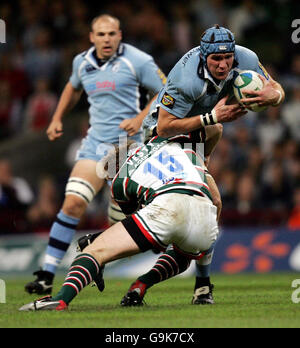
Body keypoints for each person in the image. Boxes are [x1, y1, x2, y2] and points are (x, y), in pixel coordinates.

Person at [122, 24, 285, 305]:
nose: (223, 65)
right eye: (216, 59)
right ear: (203, 56)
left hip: (200, 133)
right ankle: (201, 283)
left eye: (227, 58)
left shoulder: (245, 58)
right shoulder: (185, 78)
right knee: (212, 204)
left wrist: (276, 96)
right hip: (163, 136)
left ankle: (197, 284)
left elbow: (275, 88)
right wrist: (212, 117)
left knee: (210, 203)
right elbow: (164, 126)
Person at [24, 14, 166, 295]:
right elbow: (72, 87)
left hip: (125, 147)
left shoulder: (138, 60)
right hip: (94, 145)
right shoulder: (82, 62)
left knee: (120, 224)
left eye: (111, 34)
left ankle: (96, 253)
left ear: (120, 35)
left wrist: (140, 118)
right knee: (73, 204)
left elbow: (165, 91)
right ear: (92, 37)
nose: (106, 39)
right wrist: (57, 118)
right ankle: (46, 275)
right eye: (101, 34)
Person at [19, 127, 221, 311]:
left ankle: (60, 299)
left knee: (93, 251)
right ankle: (142, 284)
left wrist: (98, 245)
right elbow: (215, 196)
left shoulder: (119, 180)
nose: (109, 183)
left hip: (168, 207)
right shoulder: (179, 148)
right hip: (206, 215)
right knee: (183, 254)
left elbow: (140, 234)